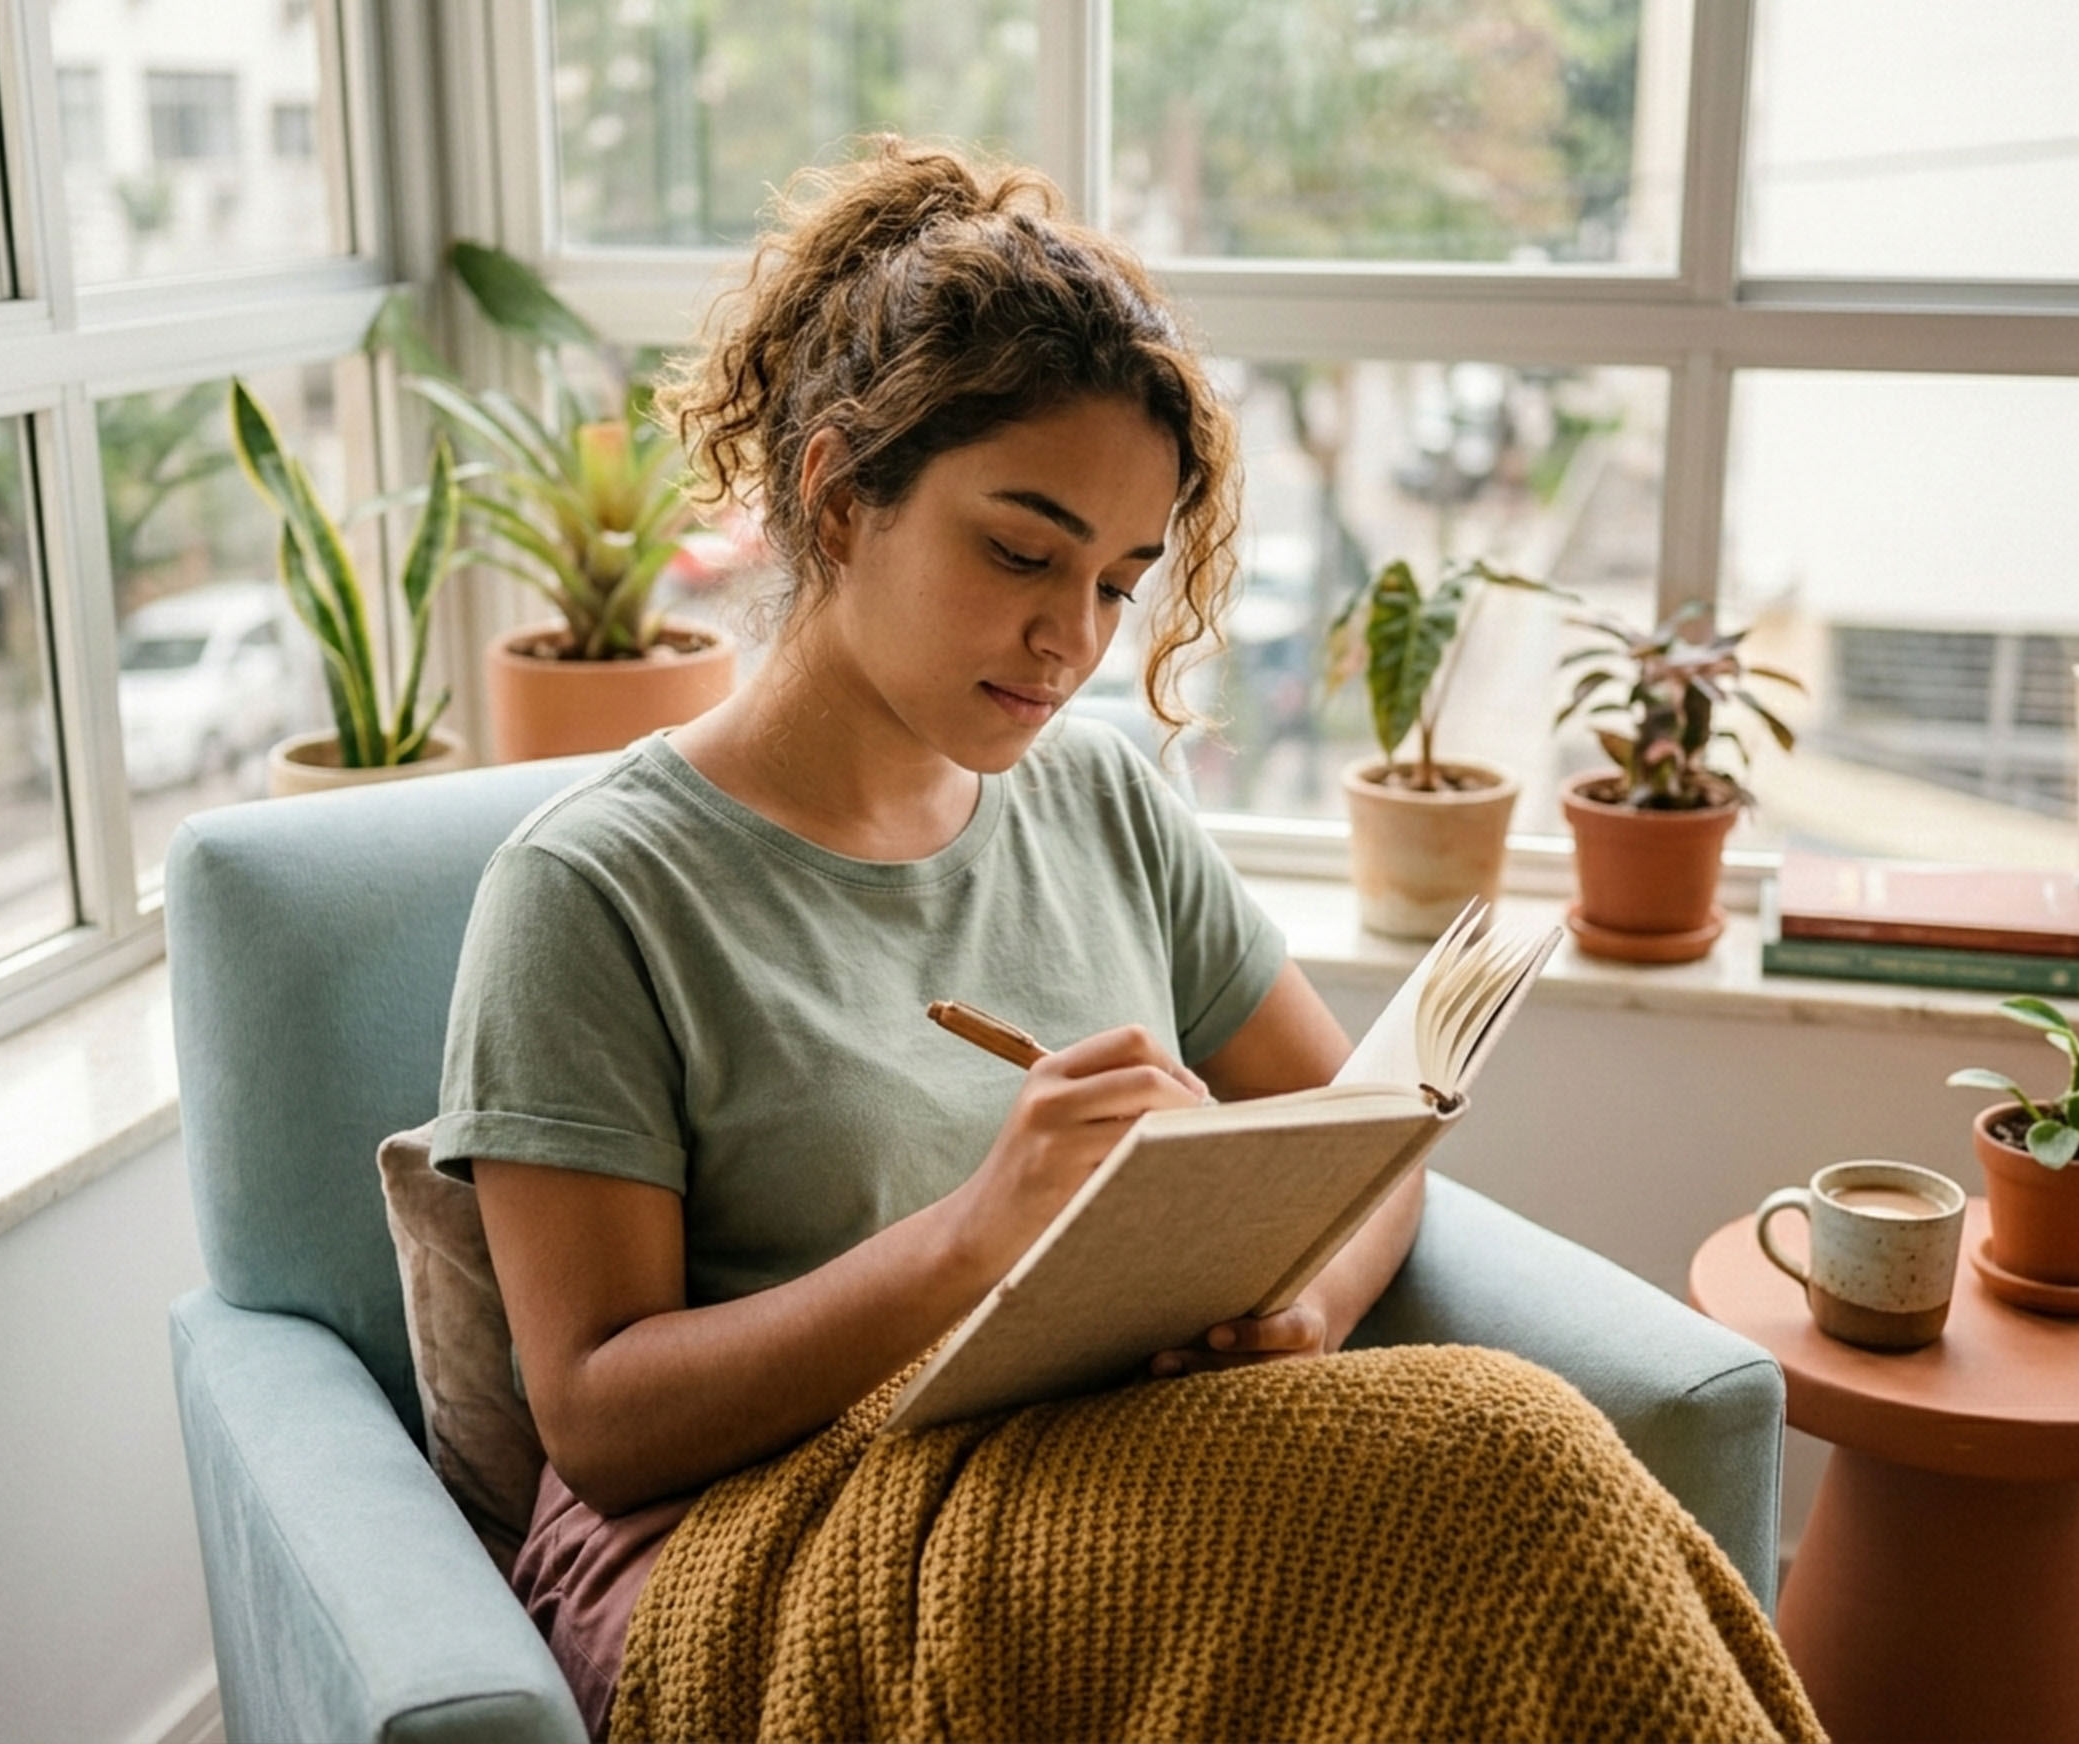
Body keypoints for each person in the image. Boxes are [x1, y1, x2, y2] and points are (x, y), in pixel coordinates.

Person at [434, 140, 1817, 1744]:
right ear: (836, 492)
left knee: (1501, 1501)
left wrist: (1300, 1311)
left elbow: (1363, 1146)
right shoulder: (594, 890)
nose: (1073, 639)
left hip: (1084, 1458)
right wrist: (976, 1237)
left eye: (1117, 581)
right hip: (757, 1544)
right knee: (1497, 1457)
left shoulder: (1098, 794)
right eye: (1021, 553)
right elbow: (597, 1419)